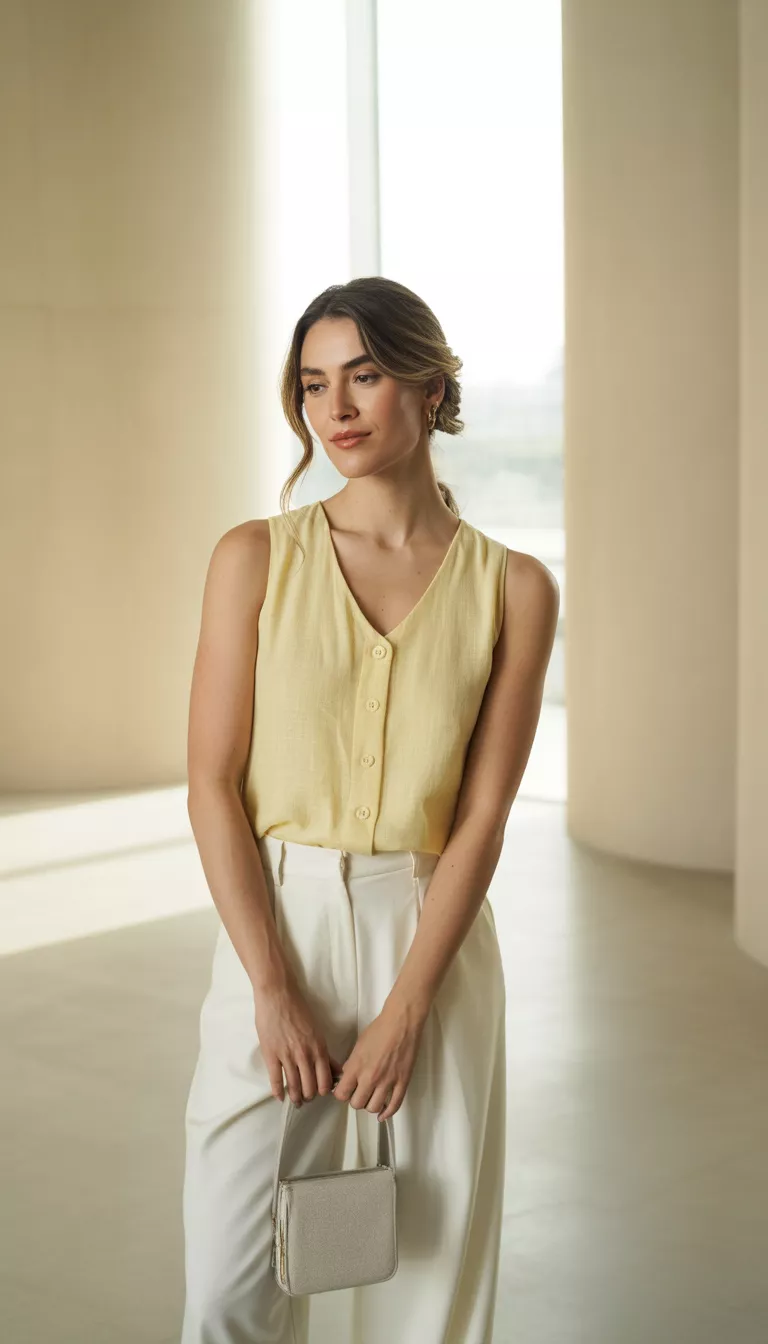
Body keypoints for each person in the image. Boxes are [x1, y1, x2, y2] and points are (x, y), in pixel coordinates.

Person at [180, 276, 560, 1344]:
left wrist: (406, 1011)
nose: (335, 407)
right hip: (279, 927)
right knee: (228, 1290)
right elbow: (212, 780)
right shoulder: (254, 558)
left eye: (366, 374)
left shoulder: (514, 589)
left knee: (423, 1300)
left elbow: (480, 820)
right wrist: (270, 986)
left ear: (432, 388)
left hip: (429, 942)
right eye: (313, 384)